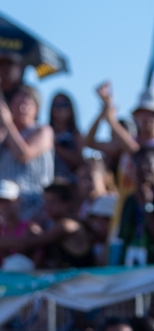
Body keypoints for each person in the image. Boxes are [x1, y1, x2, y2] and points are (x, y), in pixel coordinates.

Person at [0, 179, 94, 269]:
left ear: (67, 203)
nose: (46, 206)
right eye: (45, 201)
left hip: (83, 279)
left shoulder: (66, 225)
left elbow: (26, 244)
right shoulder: (56, 224)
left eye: (52, 201)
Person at [0, 84, 54, 219]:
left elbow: (23, 154)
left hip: (34, 204)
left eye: (26, 104)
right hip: (5, 202)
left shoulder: (43, 131)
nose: (22, 109)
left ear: (37, 108)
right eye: (17, 104)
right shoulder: (5, 133)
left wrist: (7, 123)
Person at [49, 91, 84, 178]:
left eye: (64, 105)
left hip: (69, 180)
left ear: (70, 109)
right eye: (55, 105)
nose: (59, 109)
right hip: (47, 180)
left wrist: (56, 147)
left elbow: (79, 161)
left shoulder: (75, 134)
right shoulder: (46, 132)